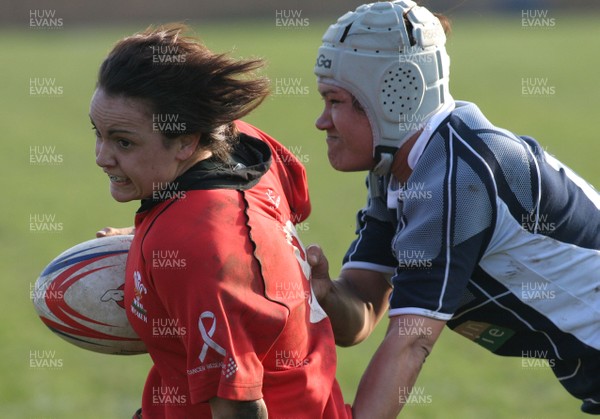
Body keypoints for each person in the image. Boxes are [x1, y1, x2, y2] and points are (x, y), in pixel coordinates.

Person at [309, 1, 600, 417]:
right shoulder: (406, 169)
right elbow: (364, 311)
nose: (322, 122)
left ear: (394, 93)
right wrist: (323, 293)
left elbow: (412, 341)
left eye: (333, 100)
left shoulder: (456, 177)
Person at [91, 24, 351, 418]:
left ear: (186, 141)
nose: (102, 157)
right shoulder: (247, 147)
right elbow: (268, 221)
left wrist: (166, 250)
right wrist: (141, 238)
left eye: (123, 142)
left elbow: (241, 408)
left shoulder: (192, 246)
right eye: (99, 134)